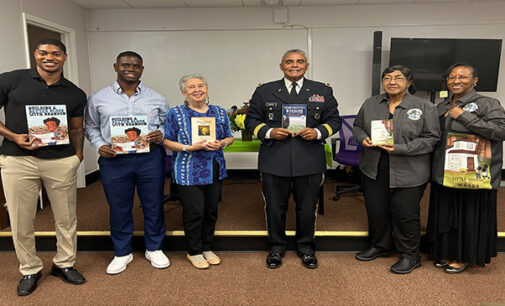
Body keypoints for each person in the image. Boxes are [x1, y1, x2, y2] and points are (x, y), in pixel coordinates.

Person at [0, 38, 86, 296]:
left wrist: (78, 156)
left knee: (66, 217)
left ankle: (65, 263)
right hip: (17, 160)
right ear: (35, 54)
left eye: (56, 54)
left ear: (64, 57)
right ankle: (29, 268)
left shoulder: (74, 92)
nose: (50, 57)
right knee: (21, 218)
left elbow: (77, 128)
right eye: (43, 53)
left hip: (60, 161)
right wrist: (12, 136)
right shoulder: (10, 80)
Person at [244, 49, 341, 269]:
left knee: (307, 208)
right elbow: (251, 120)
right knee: (274, 208)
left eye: (299, 62)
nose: (294, 65)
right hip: (274, 158)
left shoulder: (322, 90)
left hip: (309, 158)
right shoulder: (265, 90)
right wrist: (269, 132)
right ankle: (276, 248)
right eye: (289, 62)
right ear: (281, 66)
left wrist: (317, 132)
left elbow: (334, 120)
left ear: (307, 66)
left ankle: (306, 248)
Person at [85, 51, 170, 274]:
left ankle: (154, 248)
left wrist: (160, 134)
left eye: (135, 66)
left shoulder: (157, 98)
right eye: (125, 65)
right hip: (114, 161)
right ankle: (122, 252)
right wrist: (99, 145)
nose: (130, 69)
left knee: (153, 204)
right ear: (116, 67)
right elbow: (91, 126)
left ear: (142, 69)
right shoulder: (97, 98)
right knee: (119, 207)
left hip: (150, 159)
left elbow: (167, 125)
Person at [353, 65, 439, 274]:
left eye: (398, 78)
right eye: (387, 78)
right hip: (374, 166)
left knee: (405, 213)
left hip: (409, 170)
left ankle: (410, 255)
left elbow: (432, 139)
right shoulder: (371, 103)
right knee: (377, 210)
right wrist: (362, 138)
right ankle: (380, 246)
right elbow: (357, 126)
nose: (392, 82)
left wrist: (401, 148)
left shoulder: (425, 107)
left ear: (409, 83)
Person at [426, 63, 505, 273]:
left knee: (468, 214)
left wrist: (463, 116)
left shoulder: (488, 104)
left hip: (474, 175)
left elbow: (500, 132)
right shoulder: (441, 107)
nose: (456, 81)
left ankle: (463, 256)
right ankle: (446, 251)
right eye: (452, 77)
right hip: (445, 171)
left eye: (462, 77)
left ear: (475, 80)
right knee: (445, 212)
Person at [163, 73, 233, 269]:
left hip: (214, 167)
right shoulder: (175, 113)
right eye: (191, 87)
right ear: (184, 92)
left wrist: (222, 143)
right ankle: (194, 251)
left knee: (211, 211)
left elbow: (230, 137)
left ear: (207, 89)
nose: (197, 90)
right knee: (194, 212)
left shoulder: (219, 112)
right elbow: (166, 140)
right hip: (188, 169)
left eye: (200, 85)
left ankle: (207, 247)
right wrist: (188, 147)